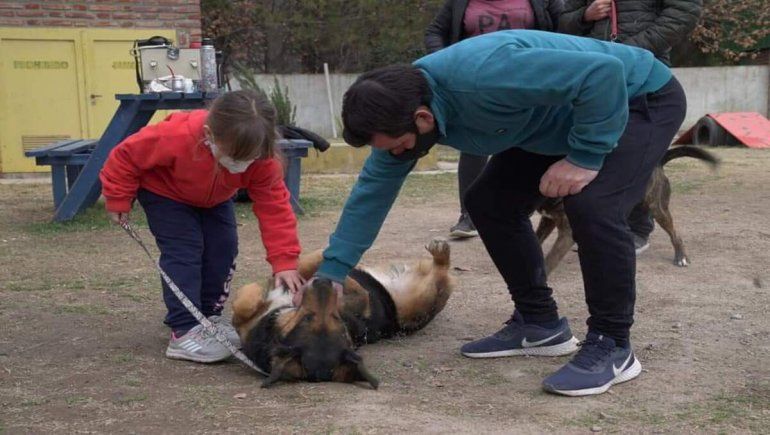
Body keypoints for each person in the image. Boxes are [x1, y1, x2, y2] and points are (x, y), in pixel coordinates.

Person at [301, 30, 687, 396]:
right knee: (489, 203)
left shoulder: (484, 75)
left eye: (399, 146)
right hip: (558, 118)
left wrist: (585, 156)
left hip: (637, 98)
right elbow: (371, 194)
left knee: (592, 205)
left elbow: (604, 74)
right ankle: (539, 324)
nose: (396, 155)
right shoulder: (398, 114)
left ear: (423, 118)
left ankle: (613, 343)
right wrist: (332, 271)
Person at [100, 90, 304, 363]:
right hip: (165, 193)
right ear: (209, 135)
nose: (241, 165)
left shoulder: (264, 160)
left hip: (216, 198)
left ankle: (207, 317)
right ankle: (184, 330)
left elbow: (275, 209)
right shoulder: (176, 135)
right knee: (184, 250)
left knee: (224, 248)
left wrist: (284, 262)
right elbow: (125, 156)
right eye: (234, 157)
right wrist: (118, 198)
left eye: (249, 158)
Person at [559, 0, 702, 254]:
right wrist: (584, 16)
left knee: (633, 155)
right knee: (598, 155)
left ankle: (636, 228)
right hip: (595, 76)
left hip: (645, 74)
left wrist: (626, 51)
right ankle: (597, 227)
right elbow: (561, 19)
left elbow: (684, 12)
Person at [424, 0, 562, 239]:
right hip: (476, 81)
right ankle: (469, 216)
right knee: (473, 146)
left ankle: (535, 210)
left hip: (530, 79)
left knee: (531, 143)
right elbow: (434, 32)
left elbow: (564, 27)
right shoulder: (461, 2)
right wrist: (446, 60)